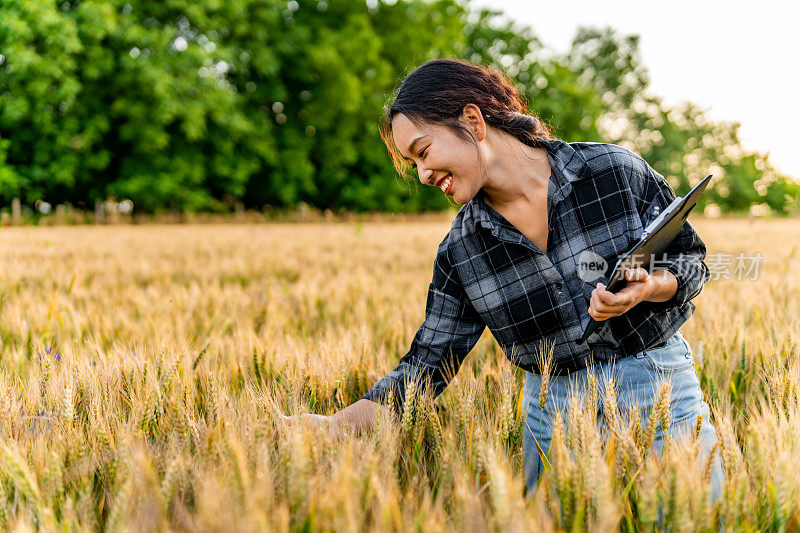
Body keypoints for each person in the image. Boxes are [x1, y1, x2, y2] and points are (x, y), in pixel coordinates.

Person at [282, 58, 723, 499]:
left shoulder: (612, 170)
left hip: (659, 386)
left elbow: (691, 260)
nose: (422, 174)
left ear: (472, 120)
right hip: (556, 415)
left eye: (423, 151)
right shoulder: (462, 250)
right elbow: (426, 367)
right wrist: (332, 426)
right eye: (412, 163)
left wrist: (651, 287)